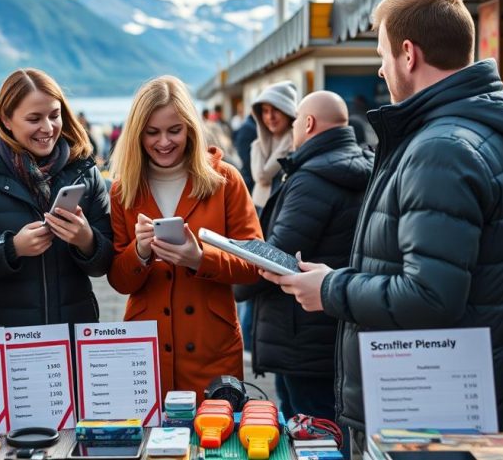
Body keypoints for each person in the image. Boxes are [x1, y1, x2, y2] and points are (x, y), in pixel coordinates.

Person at [261, 0, 503, 456]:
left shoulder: (442, 149)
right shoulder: (471, 135)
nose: (381, 68)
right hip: (444, 397)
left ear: (408, 54)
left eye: (382, 54)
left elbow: (431, 295)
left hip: (421, 409)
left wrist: (329, 288)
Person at [107, 76, 262, 400]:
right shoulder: (123, 190)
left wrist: (199, 258)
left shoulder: (226, 180)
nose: (164, 142)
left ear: (191, 128)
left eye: (174, 130)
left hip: (212, 351)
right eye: (152, 132)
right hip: (145, 353)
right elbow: (120, 281)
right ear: (137, 134)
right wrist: (140, 253)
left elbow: (253, 264)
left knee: (217, 444)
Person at [234, 91, 372, 420]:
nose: (294, 128)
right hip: (336, 326)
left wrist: (237, 275)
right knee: (331, 425)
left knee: (310, 429)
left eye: (297, 121)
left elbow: (279, 255)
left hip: (302, 335)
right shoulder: (362, 165)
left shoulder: (312, 179)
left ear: (308, 123)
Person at [0, 69, 113, 328]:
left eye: (55, 116)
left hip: (73, 334)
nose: (47, 128)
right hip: (3, 339)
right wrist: (12, 249)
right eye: (34, 119)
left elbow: (105, 263)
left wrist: (86, 240)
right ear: (6, 119)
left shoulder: (85, 173)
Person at [250, 81, 298, 211]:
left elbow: (262, 176)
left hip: (283, 210)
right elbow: (260, 177)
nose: (270, 117)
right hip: (257, 209)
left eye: (276, 109)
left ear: (288, 111)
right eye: (265, 111)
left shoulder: (297, 144)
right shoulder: (258, 144)